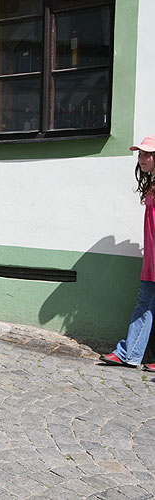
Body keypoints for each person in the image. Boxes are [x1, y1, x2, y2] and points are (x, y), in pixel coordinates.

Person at [100, 135, 155, 370]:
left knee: (145, 304)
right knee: (144, 304)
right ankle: (129, 354)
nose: (142, 159)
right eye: (140, 154)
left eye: (147, 154)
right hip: (151, 259)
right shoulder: (152, 184)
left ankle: (129, 353)